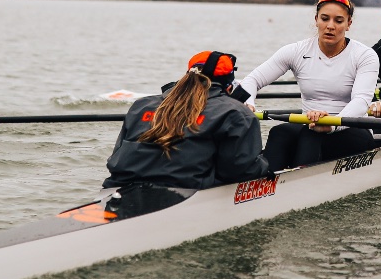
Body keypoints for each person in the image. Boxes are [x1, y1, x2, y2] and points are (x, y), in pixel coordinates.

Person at [238, 0, 381, 170]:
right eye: (325, 19)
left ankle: (298, 187)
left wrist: (332, 125)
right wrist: (249, 103)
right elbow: (251, 80)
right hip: (311, 124)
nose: (330, 26)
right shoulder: (296, 51)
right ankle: (261, 183)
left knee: (310, 135)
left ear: (349, 24)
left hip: (351, 128)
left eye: (338, 21)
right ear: (316, 20)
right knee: (279, 132)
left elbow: (362, 101)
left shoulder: (365, 55)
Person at [103, 51, 268, 191]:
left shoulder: (141, 105)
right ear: (228, 84)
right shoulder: (237, 113)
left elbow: (115, 157)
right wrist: (266, 165)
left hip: (117, 187)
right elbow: (240, 172)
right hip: (186, 193)